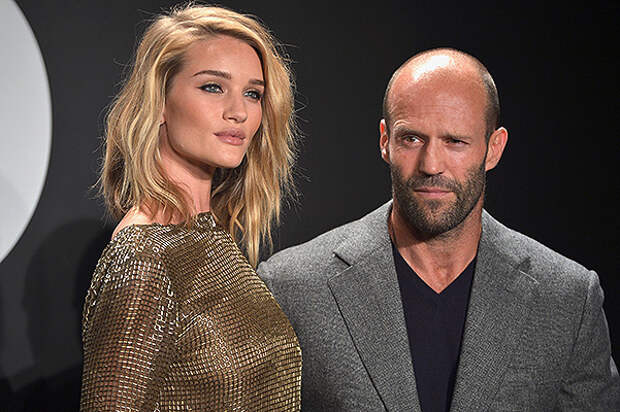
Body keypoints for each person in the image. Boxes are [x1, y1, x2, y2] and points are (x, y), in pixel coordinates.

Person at [258, 48, 619, 411]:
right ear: (385, 141)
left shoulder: (568, 300)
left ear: (493, 149)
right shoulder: (293, 288)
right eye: (412, 139)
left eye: (455, 142)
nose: (431, 164)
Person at [81, 5, 301, 411]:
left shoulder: (210, 236)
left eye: (253, 93)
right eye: (213, 87)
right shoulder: (145, 257)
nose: (238, 111)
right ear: (160, 100)